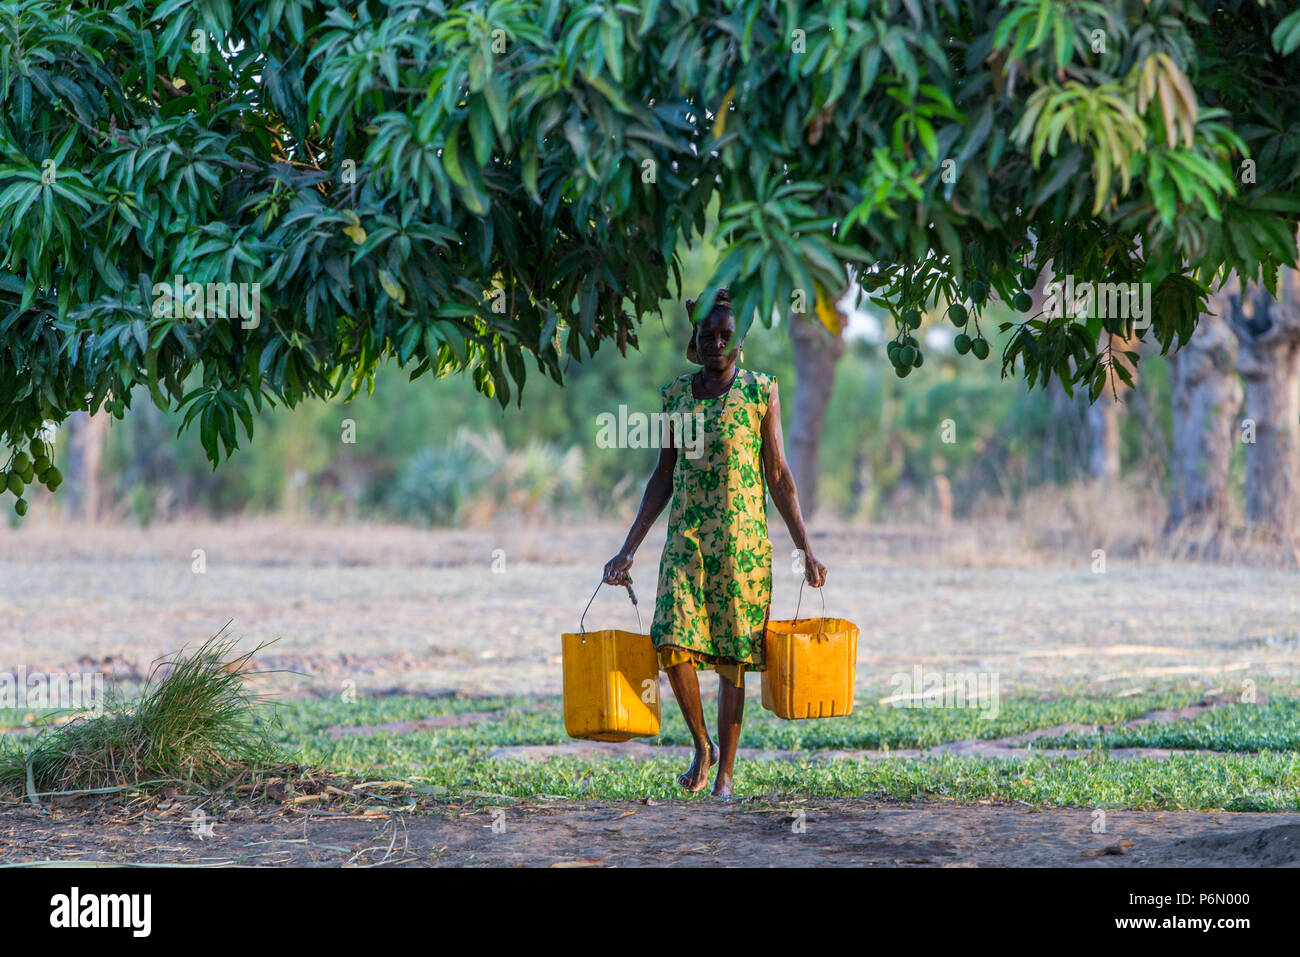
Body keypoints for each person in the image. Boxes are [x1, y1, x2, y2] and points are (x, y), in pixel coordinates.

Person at [602, 290, 827, 798]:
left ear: (740, 338)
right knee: (671, 637)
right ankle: (702, 745)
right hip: (686, 540)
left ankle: (725, 773)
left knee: (733, 657)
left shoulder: (759, 391)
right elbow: (661, 478)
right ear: (695, 337)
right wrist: (628, 548)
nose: (717, 344)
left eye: (727, 336)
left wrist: (805, 549)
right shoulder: (676, 396)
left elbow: (779, 475)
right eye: (709, 336)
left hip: (741, 546)